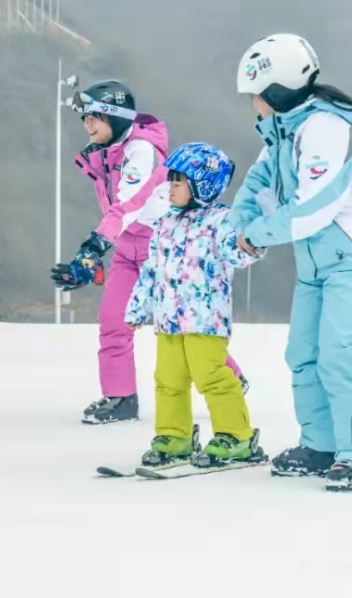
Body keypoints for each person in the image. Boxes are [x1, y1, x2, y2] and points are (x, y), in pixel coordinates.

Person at [231, 33, 352, 490]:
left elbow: (314, 207)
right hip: (318, 265)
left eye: (255, 93)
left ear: (277, 88)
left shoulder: (327, 128)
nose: (251, 102)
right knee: (304, 356)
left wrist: (255, 236)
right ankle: (321, 445)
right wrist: (237, 231)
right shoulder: (283, 133)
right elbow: (258, 189)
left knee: (341, 358)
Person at [50, 80, 247, 425]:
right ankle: (120, 397)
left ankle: (229, 377)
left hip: (165, 250)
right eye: (84, 118)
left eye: (95, 117)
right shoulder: (104, 151)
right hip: (128, 251)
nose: (87, 124)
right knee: (114, 321)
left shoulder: (140, 151)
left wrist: (92, 249)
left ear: (116, 117)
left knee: (187, 325)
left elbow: (128, 206)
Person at [126, 142, 266, 467]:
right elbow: (151, 269)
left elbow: (238, 252)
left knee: (211, 376)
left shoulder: (222, 221)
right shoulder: (164, 224)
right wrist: (137, 307)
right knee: (168, 378)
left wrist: (253, 243)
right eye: (170, 181)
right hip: (168, 319)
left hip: (206, 319)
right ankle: (174, 437)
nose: (169, 188)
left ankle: (237, 437)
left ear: (202, 184)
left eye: (177, 182)